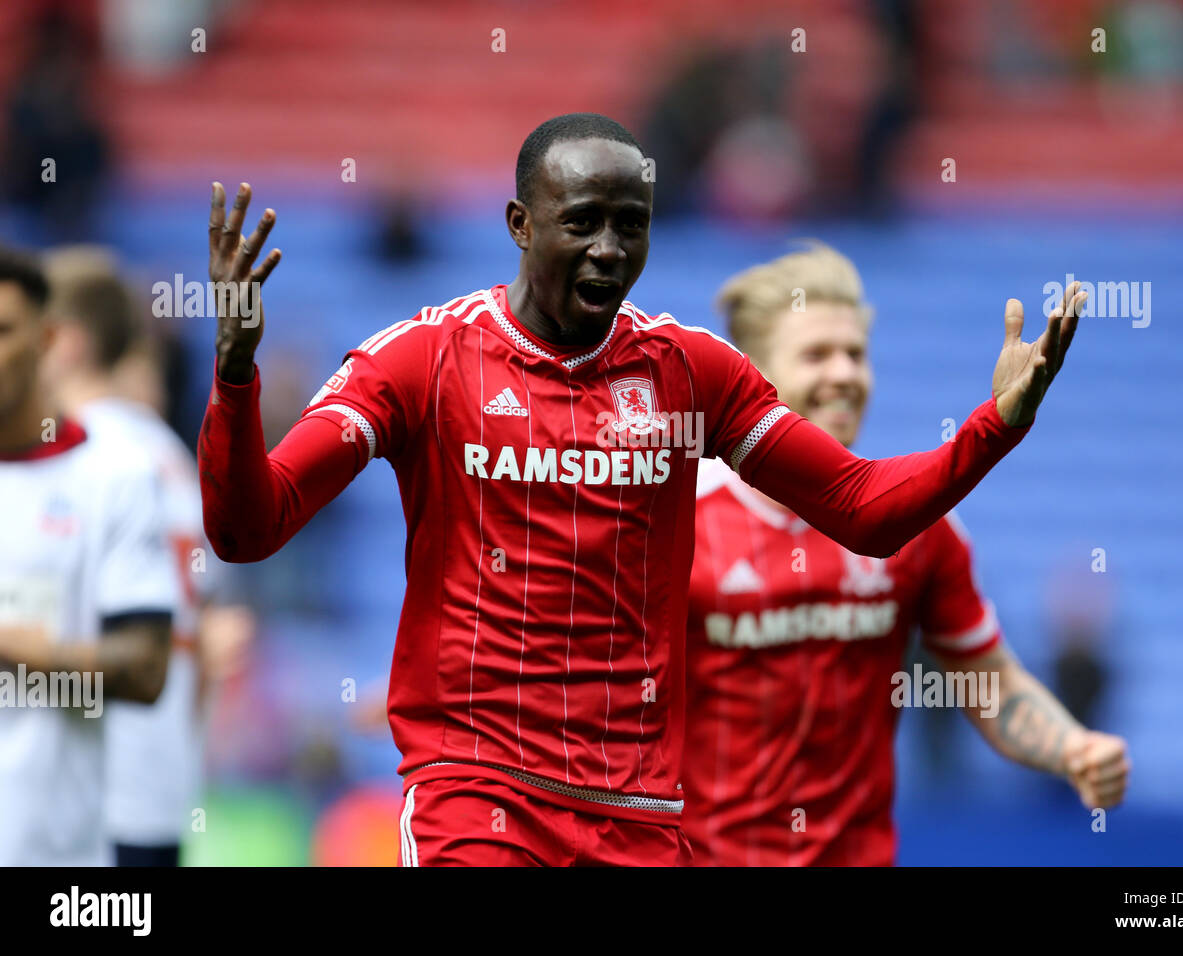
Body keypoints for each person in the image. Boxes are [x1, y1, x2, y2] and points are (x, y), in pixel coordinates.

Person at [198, 113, 1085, 866]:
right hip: (478, 797)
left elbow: (865, 509)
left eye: (634, 224)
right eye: (582, 221)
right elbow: (249, 527)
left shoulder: (690, 373)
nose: (611, 250)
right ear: (519, 222)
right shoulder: (421, 362)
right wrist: (236, 380)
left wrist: (996, 422)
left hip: (642, 817)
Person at [682, 243, 1130, 865]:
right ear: (753, 378)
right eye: (817, 354)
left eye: (856, 354)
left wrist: (1071, 746)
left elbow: (987, 682)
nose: (844, 373)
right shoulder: (677, 525)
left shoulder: (923, 528)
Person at [43, 246, 254, 867]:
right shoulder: (165, 455)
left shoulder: (77, 456)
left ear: (68, 342)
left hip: (88, 788)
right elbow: (214, 627)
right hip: (159, 780)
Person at [0, 246, 176, 866]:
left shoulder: (115, 474)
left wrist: (15, 650)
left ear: (49, 339)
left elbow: (147, 671)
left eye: (2, 331)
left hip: (62, 858)